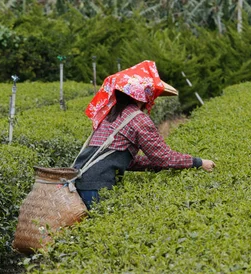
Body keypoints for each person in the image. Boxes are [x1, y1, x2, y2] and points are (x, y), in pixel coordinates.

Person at [73, 60, 215, 209]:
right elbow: (163, 157)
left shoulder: (109, 116)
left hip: (81, 181)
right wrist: (199, 162)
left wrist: (155, 165)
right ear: (141, 94)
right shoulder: (138, 119)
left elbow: (121, 159)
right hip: (98, 187)